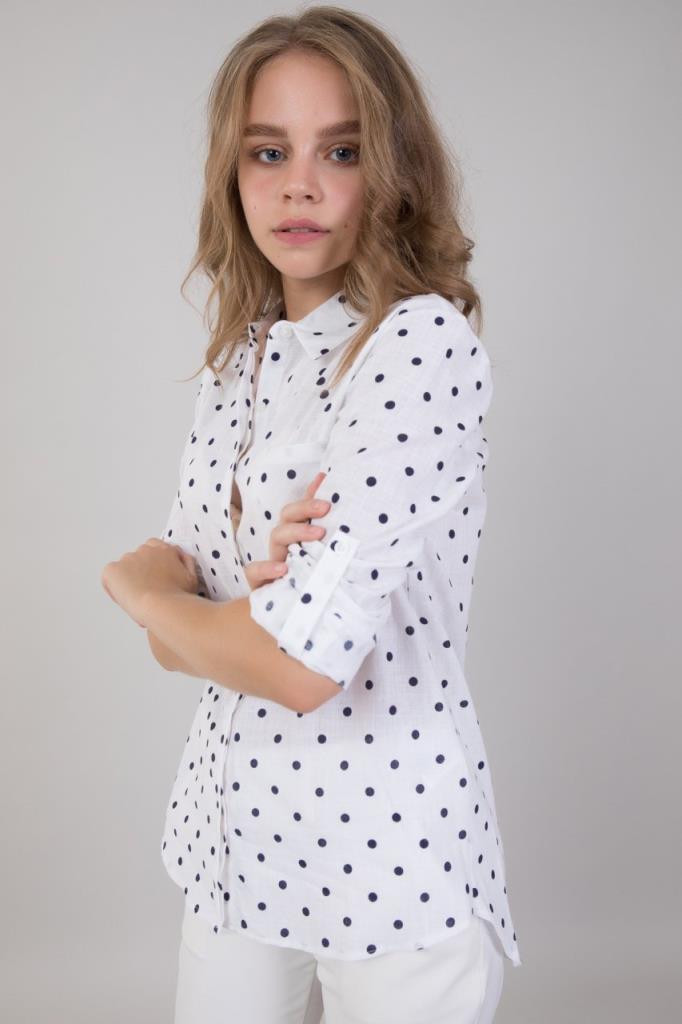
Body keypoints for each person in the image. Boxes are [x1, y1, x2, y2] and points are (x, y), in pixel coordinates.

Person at [101, 6, 522, 1022]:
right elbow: (184, 636)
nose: (298, 185)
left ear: (393, 170)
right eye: (267, 151)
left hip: (389, 861)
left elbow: (299, 670)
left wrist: (137, 589)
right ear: (233, 172)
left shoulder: (417, 347)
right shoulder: (240, 362)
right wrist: (218, 617)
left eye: (340, 150)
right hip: (235, 842)